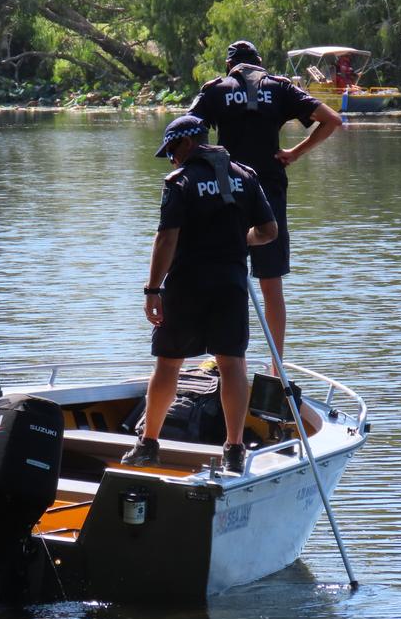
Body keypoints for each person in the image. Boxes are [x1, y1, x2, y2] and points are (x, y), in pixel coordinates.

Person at [122, 115, 278, 472]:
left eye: (172, 152)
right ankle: (234, 450)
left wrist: (151, 289)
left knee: (168, 363)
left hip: (186, 284)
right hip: (231, 284)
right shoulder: (245, 176)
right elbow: (269, 231)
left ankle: (148, 444)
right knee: (232, 363)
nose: (172, 160)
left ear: (187, 143)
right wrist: (241, 239)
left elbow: (167, 237)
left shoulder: (180, 181)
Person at [188, 40, 342, 369]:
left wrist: (203, 165)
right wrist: (294, 153)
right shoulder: (280, 88)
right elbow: (332, 120)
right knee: (271, 283)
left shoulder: (216, 90)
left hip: (226, 190)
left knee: (226, 276)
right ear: (260, 62)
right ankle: (276, 367)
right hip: (268, 191)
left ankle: (224, 361)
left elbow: (186, 131)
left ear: (229, 66)